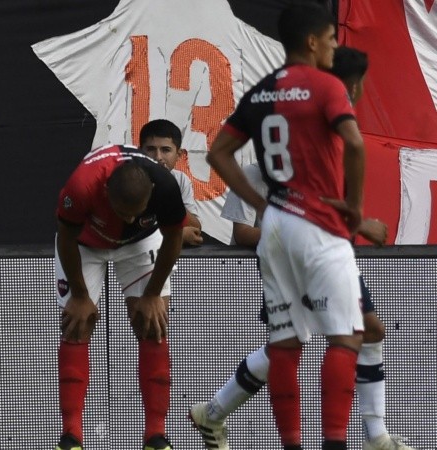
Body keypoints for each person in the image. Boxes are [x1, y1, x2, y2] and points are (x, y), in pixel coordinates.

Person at [189, 46, 416, 450]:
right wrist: (356, 219)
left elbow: (309, 196)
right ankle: (358, 438)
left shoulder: (307, 133)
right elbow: (247, 229)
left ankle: (215, 413)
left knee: (305, 340)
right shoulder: (270, 165)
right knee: (330, 338)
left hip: (310, 244)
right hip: (305, 249)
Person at [205, 4, 367, 450]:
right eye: (332, 39)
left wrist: (261, 201)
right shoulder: (326, 85)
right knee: (347, 335)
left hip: (274, 224)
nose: (336, 47)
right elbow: (354, 143)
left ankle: (291, 444)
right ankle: (335, 442)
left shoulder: (260, 91)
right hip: (317, 222)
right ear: (312, 41)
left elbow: (217, 153)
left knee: (285, 342)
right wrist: (353, 207)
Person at [53, 144, 186, 450]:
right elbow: (66, 237)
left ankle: (155, 434)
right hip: (85, 243)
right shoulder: (82, 185)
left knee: (153, 323)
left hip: (140, 242)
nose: (127, 217)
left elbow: (174, 238)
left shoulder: (164, 186)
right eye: (120, 210)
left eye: (134, 211)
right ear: (105, 190)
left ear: (150, 192)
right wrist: (81, 295)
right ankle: (71, 434)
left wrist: (152, 293)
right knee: (76, 324)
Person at [139, 119, 204, 247]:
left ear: (178, 154)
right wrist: (178, 235)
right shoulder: (130, 178)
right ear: (140, 152)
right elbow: (126, 232)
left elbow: (195, 229)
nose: (158, 157)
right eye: (151, 149)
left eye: (166, 150)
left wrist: (168, 192)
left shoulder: (180, 179)